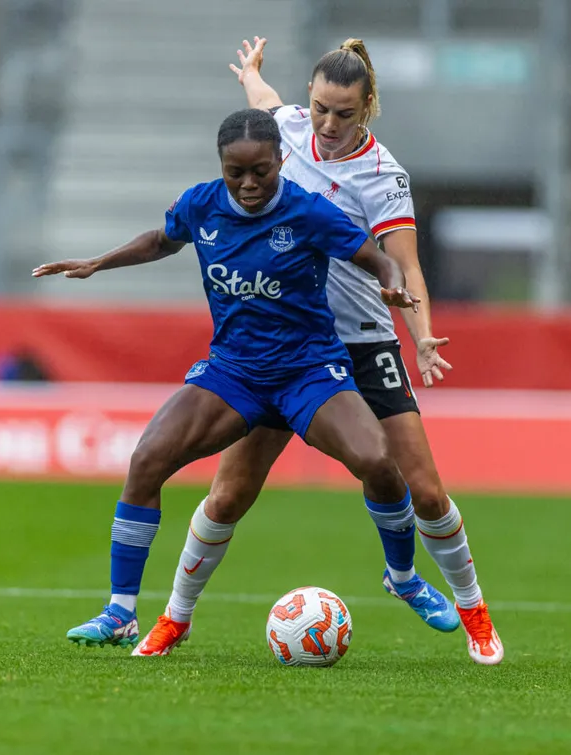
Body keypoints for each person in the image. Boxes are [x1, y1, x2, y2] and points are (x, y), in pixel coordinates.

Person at [134, 38, 504, 665]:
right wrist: (251, 75)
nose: (329, 126)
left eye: (346, 114)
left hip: (361, 344)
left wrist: (421, 340)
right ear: (310, 100)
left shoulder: (383, 176)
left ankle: (474, 613)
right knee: (230, 494)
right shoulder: (285, 129)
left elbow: (405, 267)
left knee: (426, 490)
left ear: (369, 109)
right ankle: (176, 618)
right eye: (321, 109)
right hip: (286, 347)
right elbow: (266, 102)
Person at [33, 108, 422, 651]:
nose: (247, 184)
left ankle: (402, 577)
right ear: (221, 166)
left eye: (260, 171)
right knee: (147, 461)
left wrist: (391, 282)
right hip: (234, 371)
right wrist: (100, 262)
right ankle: (120, 612)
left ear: (280, 161)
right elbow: (162, 240)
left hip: (309, 371)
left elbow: (374, 257)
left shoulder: (308, 213)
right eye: (234, 172)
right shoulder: (202, 203)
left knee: (378, 462)